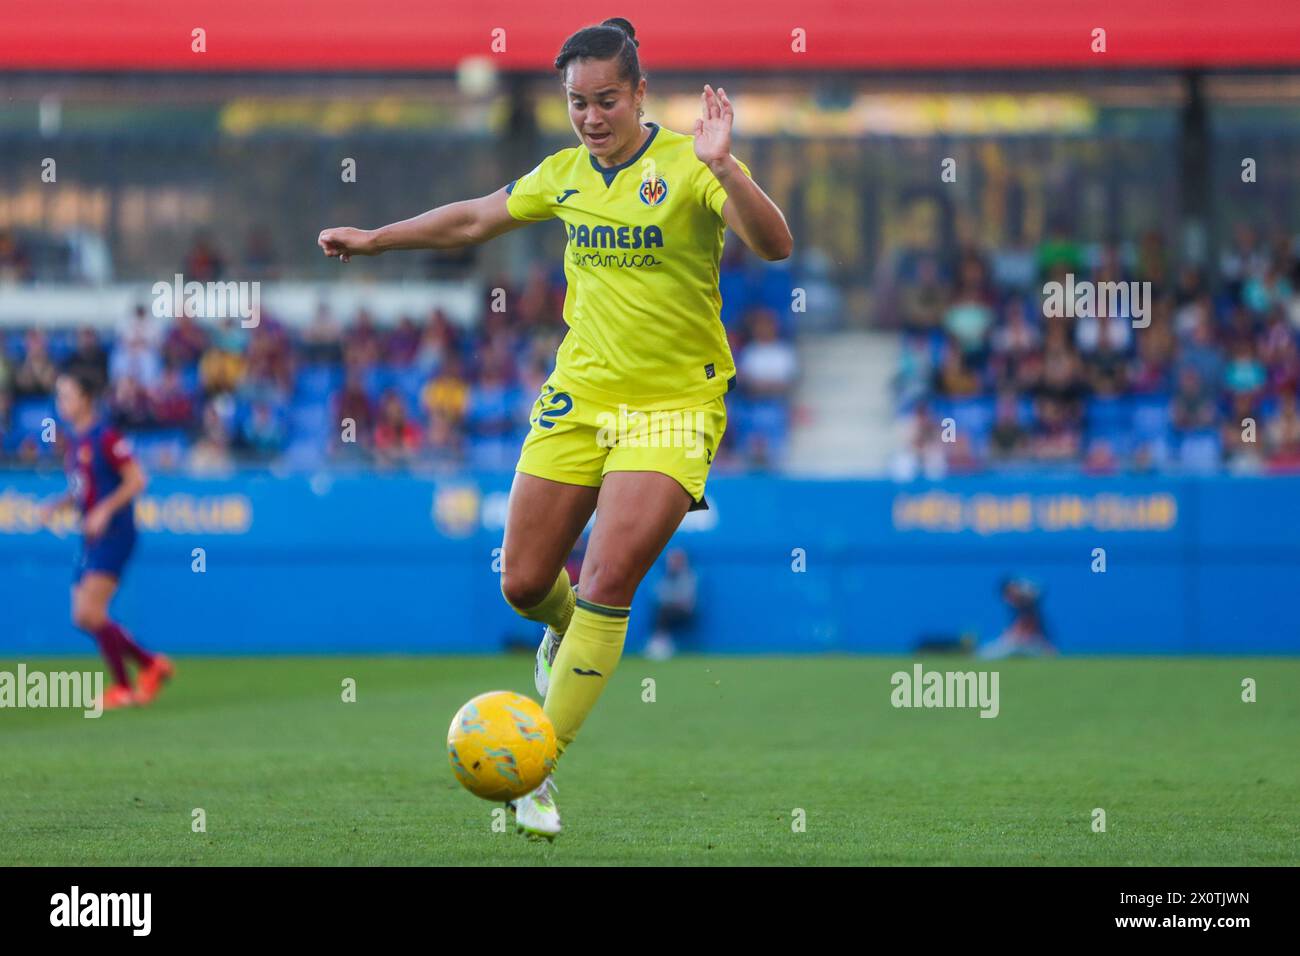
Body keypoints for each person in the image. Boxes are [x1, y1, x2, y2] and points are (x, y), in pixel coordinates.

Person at [318, 17, 791, 840]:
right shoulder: (565, 174)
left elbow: (775, 244)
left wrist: (726, 168)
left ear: (640, 93)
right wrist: (375, 240)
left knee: (608, 579)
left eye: (607, 99)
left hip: (676, 407)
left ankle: (538, 768)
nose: (592, 116)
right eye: (578, 102)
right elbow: (473, 220)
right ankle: (565, 634)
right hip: (579, 396)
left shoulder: (692, 165)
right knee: (524, 582)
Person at [40, 370, 174, 709]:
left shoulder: (106, 436)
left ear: (86, 399)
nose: (62, 403)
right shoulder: (75, 443)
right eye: (59, 396)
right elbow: (81, 487)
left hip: (114, 534)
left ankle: (126, 685)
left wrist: (103, 509)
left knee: (90, 610)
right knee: (83, 616)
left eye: (67, 395)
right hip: (92, 538)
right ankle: (149, 664)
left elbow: (137, 480)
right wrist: (60, 504)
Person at [644, 548, 698, 661]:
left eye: (676, 560)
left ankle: (661, 643)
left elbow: (686, 600)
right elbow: (659, 596)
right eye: (671, 560)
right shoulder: (666, 577)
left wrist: (671, 600)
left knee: (664, 611)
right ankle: (660, 643)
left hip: (685, 613)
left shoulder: (688, 576)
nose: (672, 563)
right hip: (667, 610)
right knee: (661, 611)